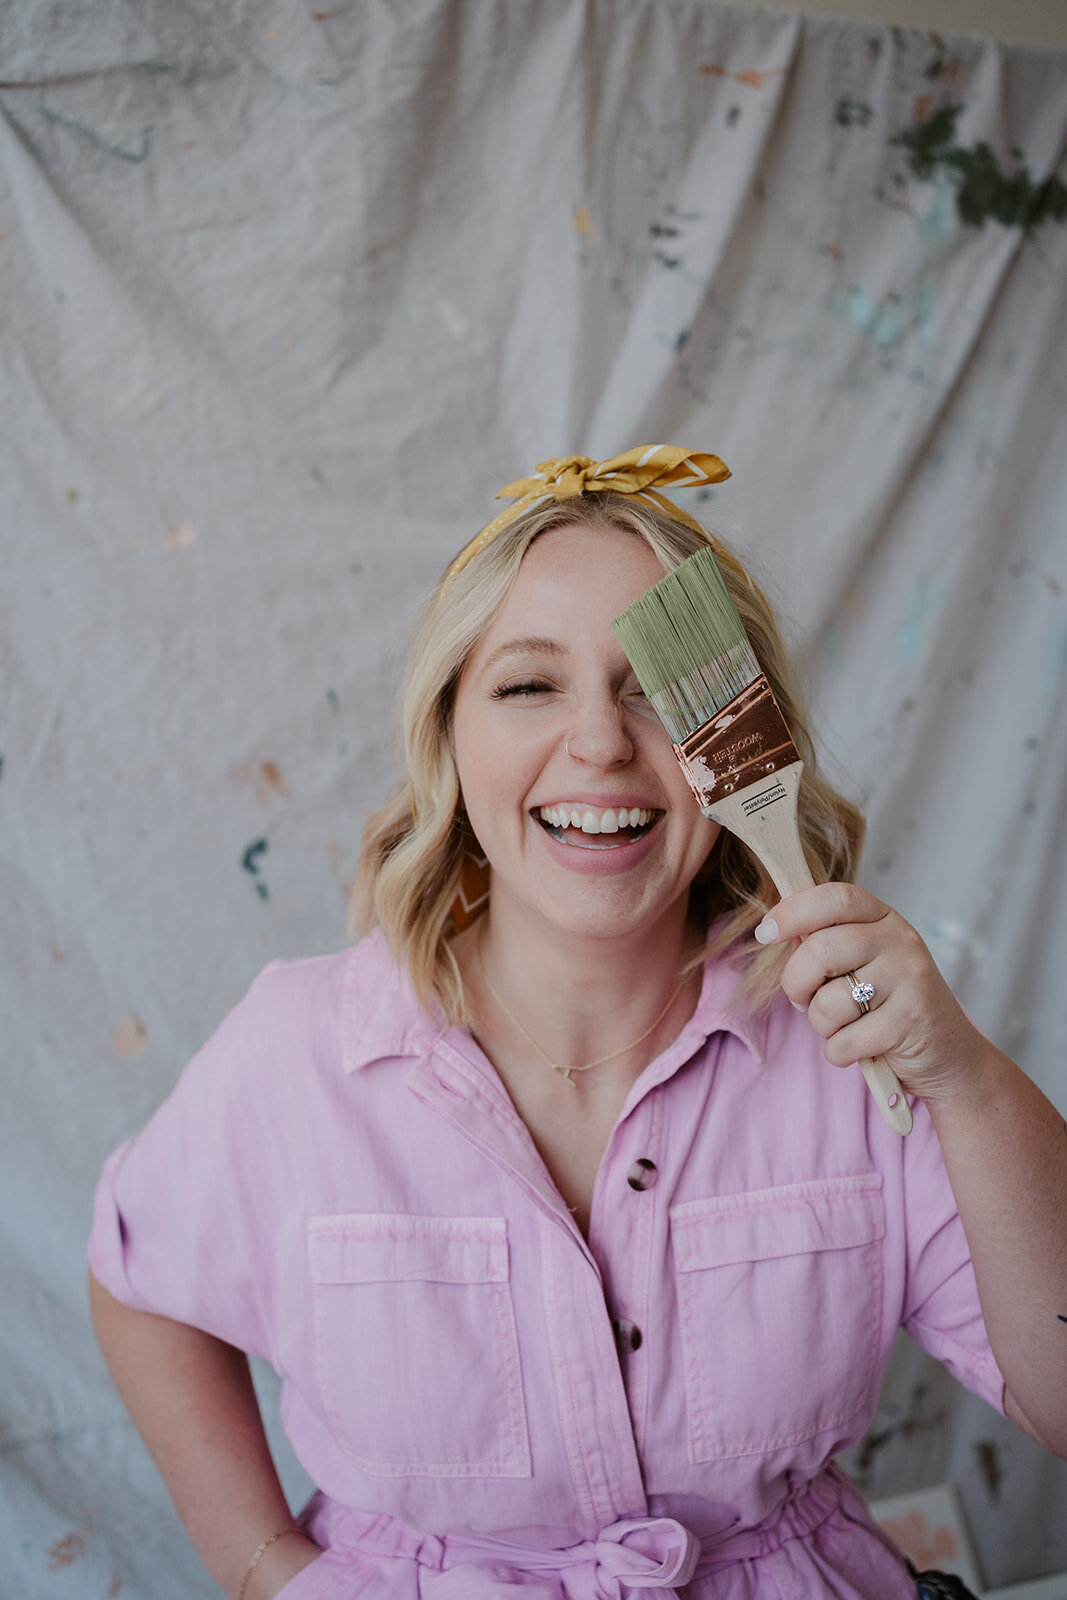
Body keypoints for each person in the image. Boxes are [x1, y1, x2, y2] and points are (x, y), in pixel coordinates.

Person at [89, 448, 1067, 1600]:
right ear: (449, 733)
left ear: (731, 744)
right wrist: (260, 1565)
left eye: (654, 686)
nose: (600, 742)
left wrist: (963, 1079)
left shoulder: (855, 1058)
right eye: (527, 684)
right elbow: (138, 1278)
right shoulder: (299, 1049)